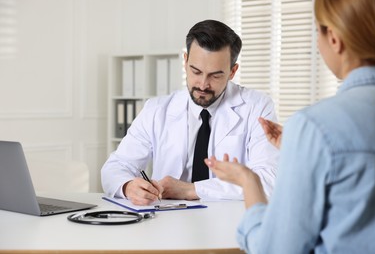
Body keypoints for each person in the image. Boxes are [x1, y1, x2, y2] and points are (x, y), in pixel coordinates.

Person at [205, 0, 375, 253]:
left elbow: (275, 249)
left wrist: (248, 181)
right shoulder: (315, 132)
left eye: (317, 31)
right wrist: (302, 149)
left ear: (334, 38)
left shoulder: (316, 126)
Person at [101, 19, 279, 205]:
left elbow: (269, 180)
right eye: (196, 71)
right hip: (166, 222)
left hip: (227, 220)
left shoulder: (257, 106)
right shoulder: (156, 109)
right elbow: (115, 167)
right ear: (185, 62)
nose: (203, 84)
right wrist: (128, 186)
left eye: (215, 75)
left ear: (232, 71)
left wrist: (190, 190)